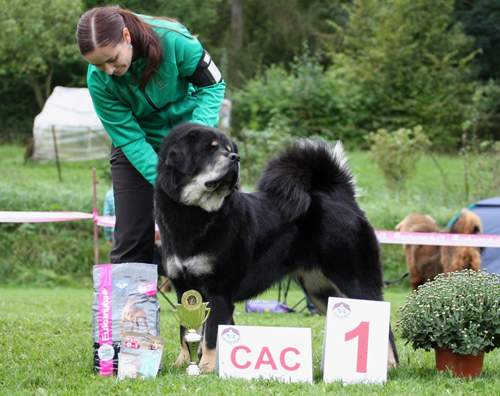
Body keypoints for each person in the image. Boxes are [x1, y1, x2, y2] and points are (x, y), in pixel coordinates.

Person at [76, 6, 226, 264]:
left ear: (126, 36)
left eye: (112, 59)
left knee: (218, 225)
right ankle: (134, 303)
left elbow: (212, 85)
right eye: (98, 65)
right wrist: (164, 179)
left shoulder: (174, 39)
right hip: (137, 145)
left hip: (192, 141)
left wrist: (196, 138)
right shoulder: (98, 80)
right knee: (131, 235)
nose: (108, 70)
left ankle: (213, 300)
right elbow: (130, 138)